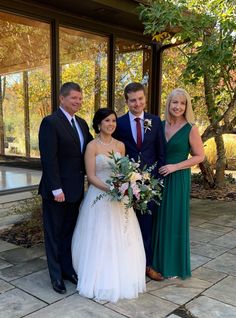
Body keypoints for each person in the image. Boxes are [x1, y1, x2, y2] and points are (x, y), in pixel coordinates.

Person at [72, 108, 146, 303]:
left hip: (119, 199)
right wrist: (111, 189)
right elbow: (91, 176)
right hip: (100, 195)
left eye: (113, 120)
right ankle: (98, 277)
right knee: (100, 238)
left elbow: (125, 171)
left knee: (122, 237)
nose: (111, 124)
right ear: (98, 124)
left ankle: (122, 276)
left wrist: (126, 186)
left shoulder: (121, 146)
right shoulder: (92, 147)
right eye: (107, 121)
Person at [38, 82, 93, 294]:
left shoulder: (81, 123)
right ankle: (55, 276)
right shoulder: (50, 122)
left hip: (76, 189)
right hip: (57, 192)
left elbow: (88, 151)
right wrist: (56, 189)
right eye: (74, 98)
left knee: (69, 233)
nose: (78, 102)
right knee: (53, 233)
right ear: (62, 99)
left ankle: (67, 270)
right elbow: (49, 159)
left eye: (80, 98)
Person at [115, 82, 165, 281]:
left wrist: (158, 182)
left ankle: (147, 266)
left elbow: (161, 153)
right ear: (126, 101)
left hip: (149, 187)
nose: (137, 103)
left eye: (140, 99)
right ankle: (126, 265)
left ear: (145, 99)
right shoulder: (118, 123)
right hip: (125, 186)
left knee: (146, 227)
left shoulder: (155, 121)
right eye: (133, 100)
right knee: (125, 227)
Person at [152, 88, 205, 279]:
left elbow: (200, 156)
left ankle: (172, 265)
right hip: (159, 178)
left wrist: (175, 166)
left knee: (173, 219)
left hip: (177, 178)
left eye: (182, 103)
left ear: (186, 106)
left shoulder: (190, 128)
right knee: (158, 219)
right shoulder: (160, 124)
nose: (178, 107)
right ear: (168, 103)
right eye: (175, 102)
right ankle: (156, 263)